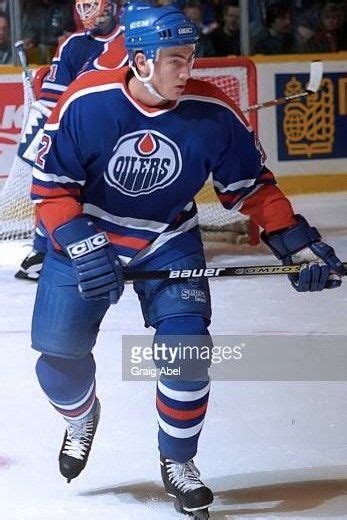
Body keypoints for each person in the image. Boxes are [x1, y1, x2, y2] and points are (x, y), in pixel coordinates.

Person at [30, 3, 344, 518]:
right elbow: (51, 190)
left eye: (190, 57)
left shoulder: (213, 112)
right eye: (175, 59)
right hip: (88, 234)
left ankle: (178, 461)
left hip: (166, 236)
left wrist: (295, 241)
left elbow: (252, 190)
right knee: (58, 360)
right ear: (139, 61)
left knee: (188, 349)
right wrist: (81, 242)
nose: (187, 70)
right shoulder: (85, 104)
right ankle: (82, 416)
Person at [15, 0, 127, 281]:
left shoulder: (134, 38)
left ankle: (148, 240)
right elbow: (53, 97)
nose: (88, 13)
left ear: (113, 6)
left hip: (126, 127)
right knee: (55, 181)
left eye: (95, 5)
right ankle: (44, 248)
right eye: (84, 5)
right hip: (82, 130)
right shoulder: (74, 45)